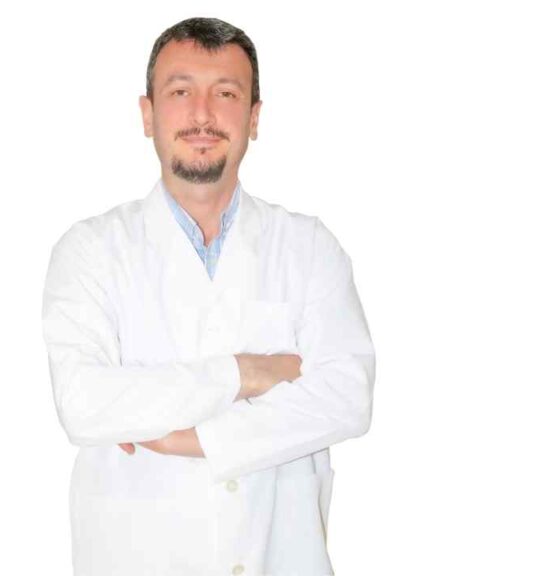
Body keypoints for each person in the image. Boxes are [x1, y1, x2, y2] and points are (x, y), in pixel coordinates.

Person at [42, 17, 375, 576]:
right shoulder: (90, 251)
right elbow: (84, 403)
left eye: (225, 94)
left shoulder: (309, 247)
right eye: (180, 92)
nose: (202, 114)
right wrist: (248, 372)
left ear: (254, 117)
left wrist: (188, 437)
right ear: (148, 115)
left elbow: (347, 396)